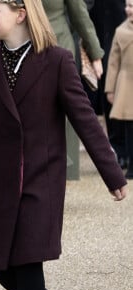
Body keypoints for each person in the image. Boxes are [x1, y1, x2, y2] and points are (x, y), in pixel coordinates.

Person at [0, 0, 128, 290]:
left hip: (40, 183)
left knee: (28, 268)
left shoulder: (57, 60)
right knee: (2, 268)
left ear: (20, 14)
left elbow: (85, 120)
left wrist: (112, 175)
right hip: (1, 183)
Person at [41, 0, 105, 180]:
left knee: (64, 108)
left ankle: (67, 170)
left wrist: (95, 53)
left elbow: (80, 15)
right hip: (25, 45)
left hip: (58, 46)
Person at [89, 0, 128, 169]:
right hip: (104, 42)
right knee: (109, 93)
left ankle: (126, 150)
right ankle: (119, 150)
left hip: (126, 40)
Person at [105, 0, 133, 179]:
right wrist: (110, 89)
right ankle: (131, 163)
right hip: (127, 85)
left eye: (132, 6)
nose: (127, 9)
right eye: (127, 5)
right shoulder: (121, 31)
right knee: (129, 128)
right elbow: (113, 63)